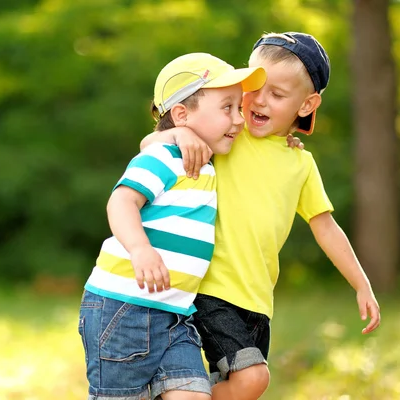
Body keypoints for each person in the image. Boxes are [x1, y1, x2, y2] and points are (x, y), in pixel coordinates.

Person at [140, 32, 381, 400]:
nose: (260, 101)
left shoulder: (300, 163)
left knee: (240, 387)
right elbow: (149, 145)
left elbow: (326, 227)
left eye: (278, 95)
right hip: (210, 289)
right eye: (255, 87)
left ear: (306, 104)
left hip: (256, 304)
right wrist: (180, 136)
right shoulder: (227, 135)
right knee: (254, 378)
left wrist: (361, 283)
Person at [78, 52, 266, 400]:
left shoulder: (207, 163)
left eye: (239, 108)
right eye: (228, 108)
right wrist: (140, 248)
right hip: (124, 308)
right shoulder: (163, 157)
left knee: (194, 395)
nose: (239, 120)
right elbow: (121, 201)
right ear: (181, 115)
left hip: (176, 315)